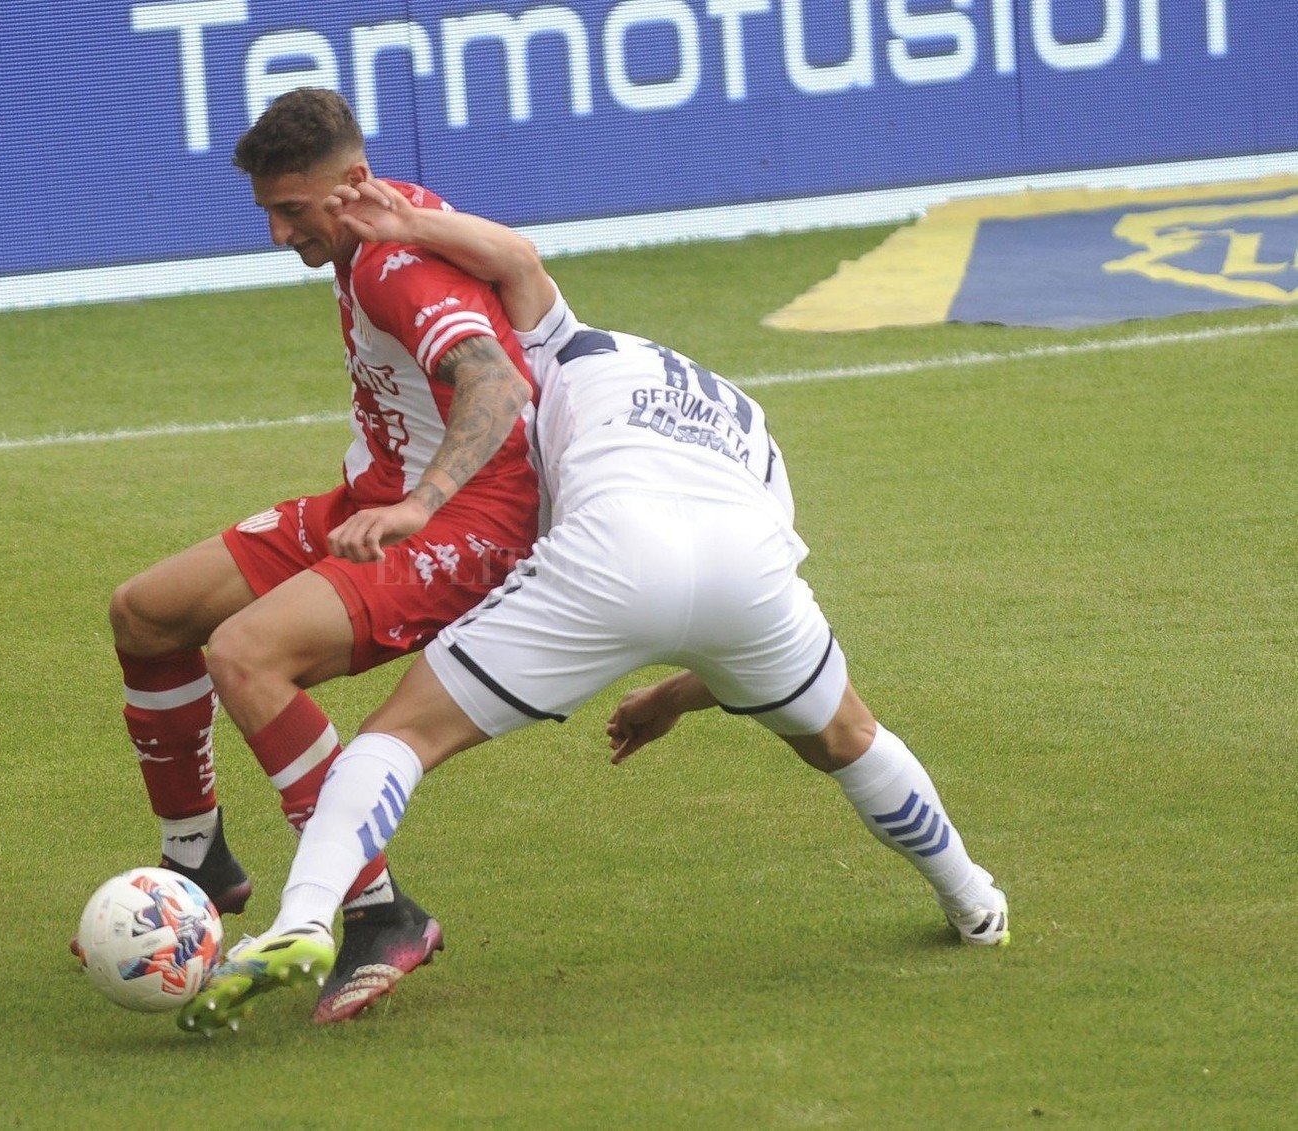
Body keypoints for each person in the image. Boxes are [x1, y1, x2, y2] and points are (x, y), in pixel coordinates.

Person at [176, 181, 1009, 1034]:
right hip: (746, 573)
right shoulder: (741, 413)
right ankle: (975, 900)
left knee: (402, 735)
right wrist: (677, 691)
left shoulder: (565, 349)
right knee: (846, 737)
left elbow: (519, 260)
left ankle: (308, 916)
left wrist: (407, 226)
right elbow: (721, 598)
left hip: (611, 550)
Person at [99, 90, 543, 1024]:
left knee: (245, 654)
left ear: (350, 184)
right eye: (266, 209)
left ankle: (381, 912)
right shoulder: (378, 219)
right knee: (145, 612)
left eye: (291, 211)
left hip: (466, 525)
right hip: (373, 499)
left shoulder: (394, 264)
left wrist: (420, 505)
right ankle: (197, 862)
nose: (274, 233)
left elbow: (498, 387)